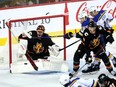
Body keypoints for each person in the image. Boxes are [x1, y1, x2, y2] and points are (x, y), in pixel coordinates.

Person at [82, 6, 116, 73]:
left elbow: (95, 29)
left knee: (101, 51)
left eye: (91, 12)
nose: (90, 14)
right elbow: (111, 18)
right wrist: (108, 28)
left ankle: (112, 58)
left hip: (103, 35)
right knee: (98, 50)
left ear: (95, 11)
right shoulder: (103, 12)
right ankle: (96, 64)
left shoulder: (95, 20)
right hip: (107, 32)